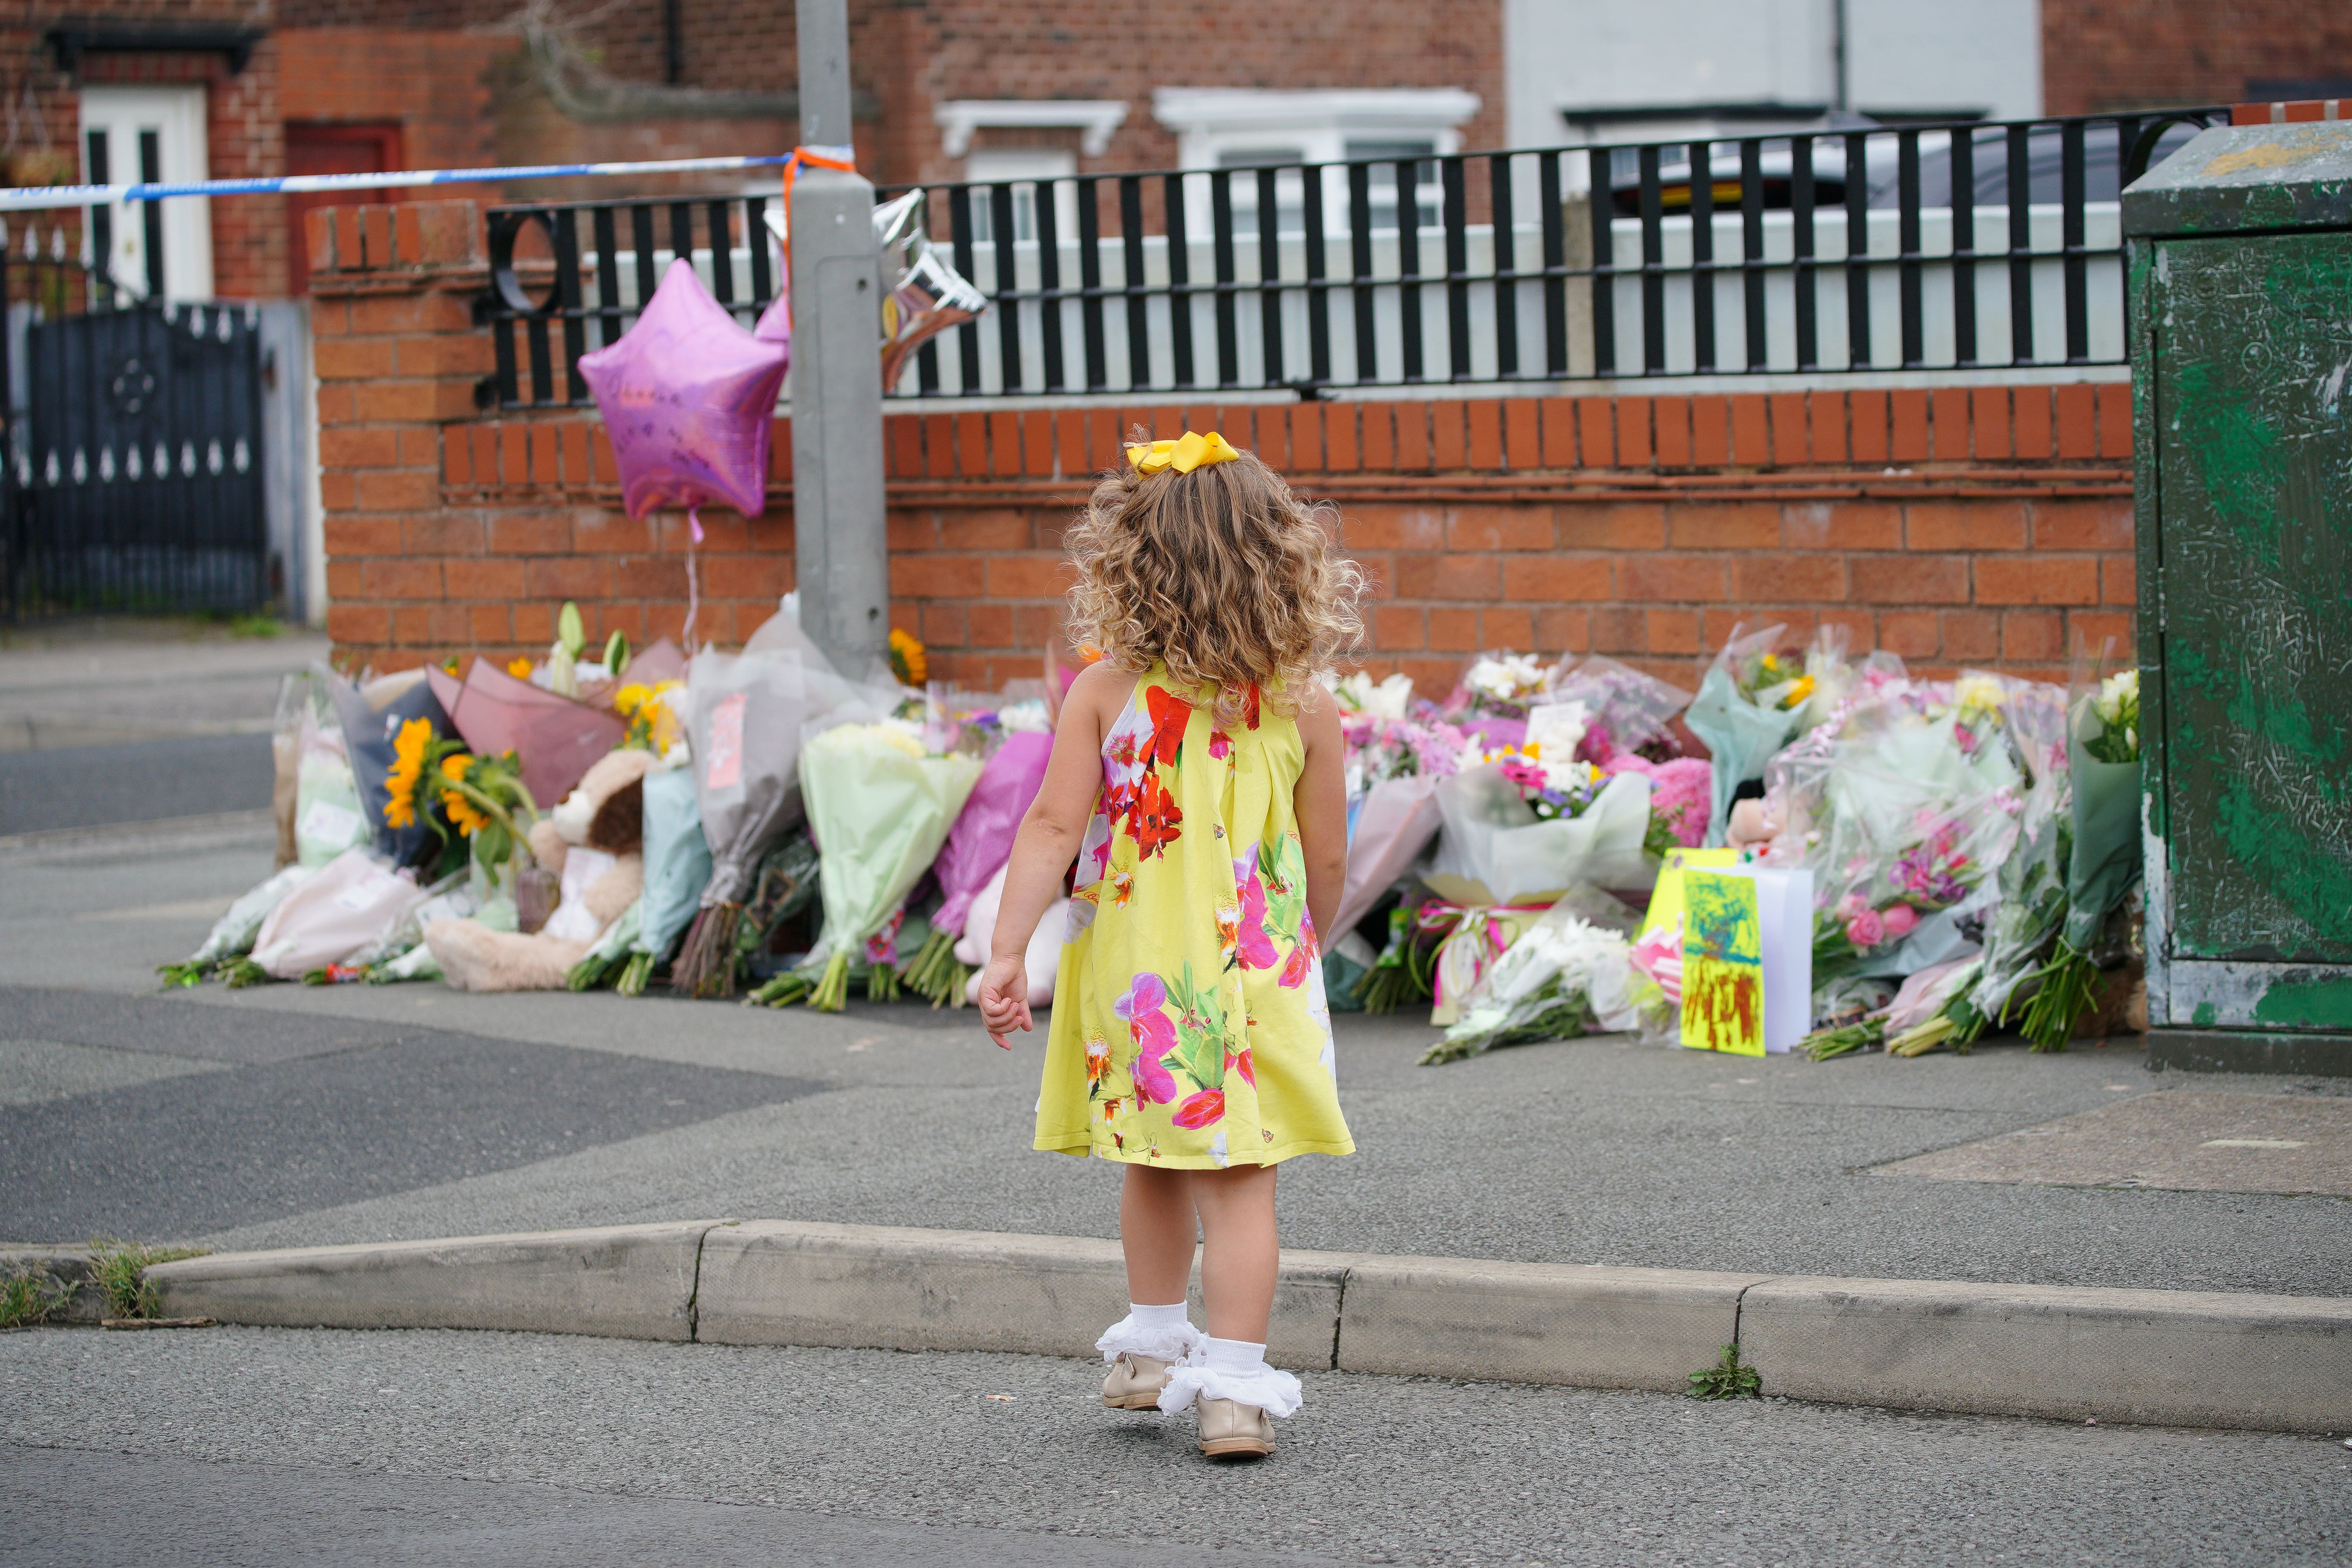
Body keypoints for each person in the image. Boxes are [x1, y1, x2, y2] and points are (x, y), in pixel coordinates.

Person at [977, 429, 1363, 1461]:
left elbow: (1053, 831)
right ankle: (1233, 1393)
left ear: (1130, 565)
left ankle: (1149, 1351)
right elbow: (1327, 858)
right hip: (1259, 972)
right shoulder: (1304, 702)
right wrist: (1304, 943)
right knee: (1242, 1183)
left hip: (1140, 978)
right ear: (1280, 562)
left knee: (1149, 1159)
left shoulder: (1104, 693)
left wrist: (1008, 950)